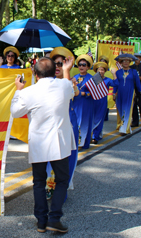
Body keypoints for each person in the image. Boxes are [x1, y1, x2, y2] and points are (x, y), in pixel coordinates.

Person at [10, 57, 75, 233]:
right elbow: (71, 91)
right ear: (56, 70)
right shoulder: (63, 85)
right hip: (59, 143)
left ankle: (41, 221)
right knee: (62, 180)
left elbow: (15, 112)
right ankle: (54, 218)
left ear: (35, 74)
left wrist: (18, 90)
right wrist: (67, 70)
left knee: (38, 182)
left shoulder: (28, 92)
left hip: (38, 142)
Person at [46, 47, 79, 200]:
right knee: (48, 158)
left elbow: (72, 93)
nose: (58, 66)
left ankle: (61, 191)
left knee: (65, 159)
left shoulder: (71, 82)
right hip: (50, 126)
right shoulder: (45, 82)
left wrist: (68, 77)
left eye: (61, 63)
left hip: (68, 126)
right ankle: (49, 188)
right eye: (55, 63)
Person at [113, 54, 141, 134]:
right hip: (120, 94)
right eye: (123, 61)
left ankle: (124, 129)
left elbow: (138, 83)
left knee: (127, 110)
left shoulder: (133, 72)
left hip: (129, 93)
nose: (125, 62)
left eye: (127, 61)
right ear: (121, 63)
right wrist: (113, 93)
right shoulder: (118, 72)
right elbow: (116, 83)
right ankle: (125, 126)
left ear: (130, 62)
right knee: (120, 109)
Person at [72, 54, 94, 149]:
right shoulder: (74, 77)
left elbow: (95, 93)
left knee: (84, 122)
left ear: (88, 67)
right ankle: (74, 142)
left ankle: (82, 142)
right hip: (76, 103)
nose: (81, 66)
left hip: (86, 104)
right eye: (80, 64)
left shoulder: (92, 78)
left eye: (84, 65)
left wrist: (85, 94)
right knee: (75, 122)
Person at [92, 62, 117, 143]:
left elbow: (116, 84)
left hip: (102, 102)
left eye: (102, 70)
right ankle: (94, 134)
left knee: (99, 119)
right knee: (92, 119)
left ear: (105, 71)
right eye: (99, 70)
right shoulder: (93, 79)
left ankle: (95, 137)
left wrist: (114, 74)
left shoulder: (107, 80)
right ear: (96, 71)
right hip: (93, 101)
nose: (101, 71)